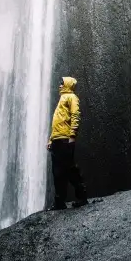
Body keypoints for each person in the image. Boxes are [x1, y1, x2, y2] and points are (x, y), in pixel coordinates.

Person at [47, 76, 88, 210]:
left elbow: (76, 115)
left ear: (68, 85)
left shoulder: (72, 97)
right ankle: (59, 202)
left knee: (70, 169)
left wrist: (72, 135)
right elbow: (57, 123)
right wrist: (51, 139)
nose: (59, 86)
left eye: (62, 83)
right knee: (57, 172)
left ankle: (82, 196)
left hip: (65, 138)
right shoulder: (62, 99)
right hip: (57, 140)